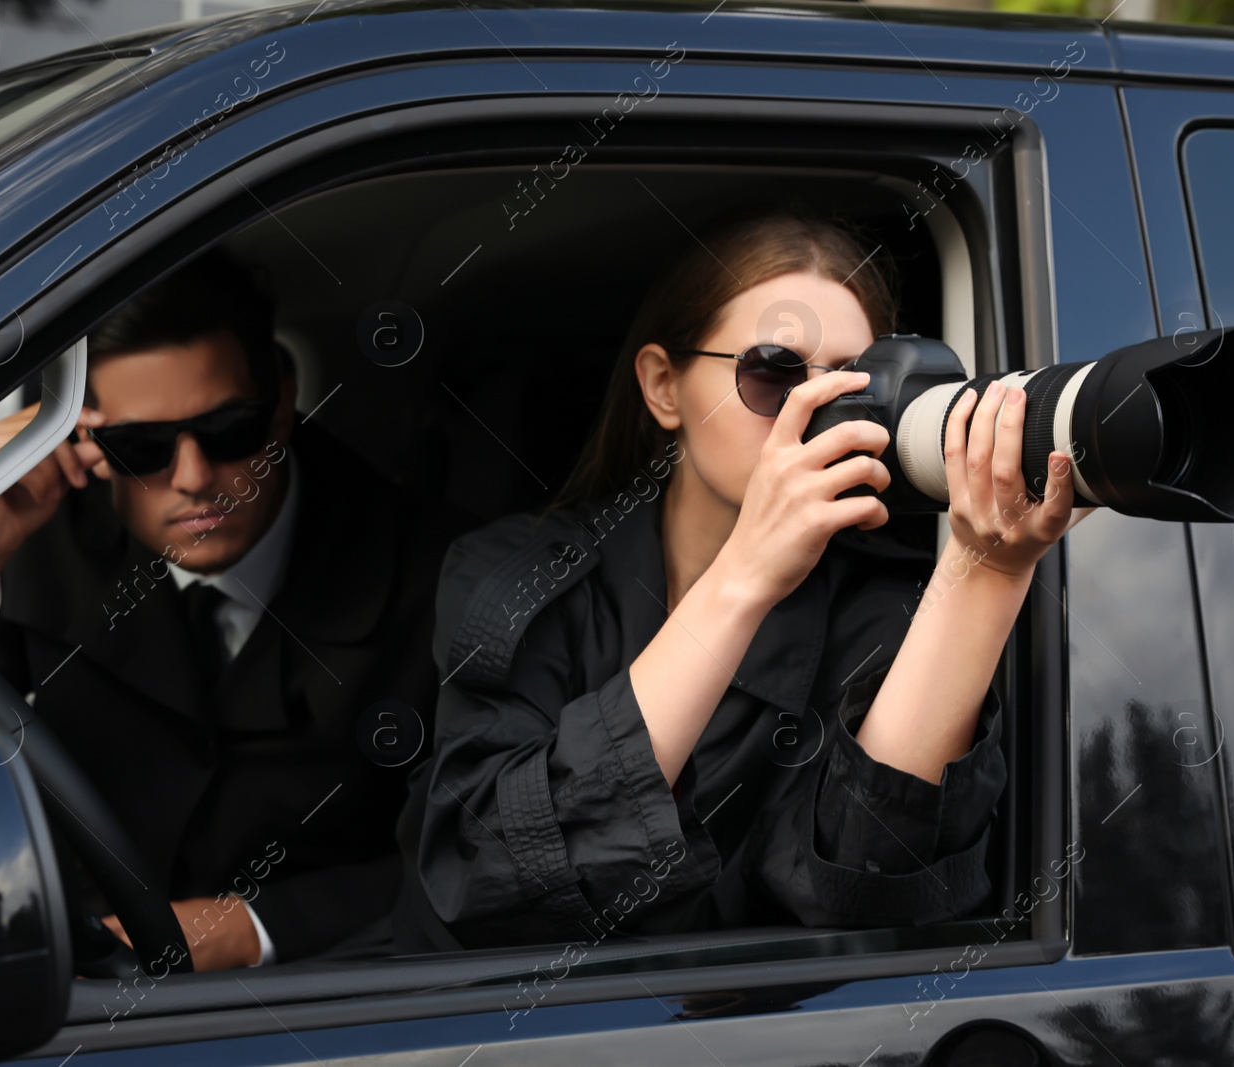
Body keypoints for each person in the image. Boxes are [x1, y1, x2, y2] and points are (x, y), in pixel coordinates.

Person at [392, 211, 1094, 951]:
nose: (813, 412)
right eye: (773, 372)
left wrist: (983, 570)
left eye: (854, 383)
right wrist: (743, 575)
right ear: (664, 387)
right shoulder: (514, 569)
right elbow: (487, 872)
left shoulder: (891, 601)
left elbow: (867, 889)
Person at [0, 249, 471, 969]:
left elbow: (486, 846)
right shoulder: (32, 537)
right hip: (65, 996)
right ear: (85, 438)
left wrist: (250, 926)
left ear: (281, 406)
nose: (193, 478)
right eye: (143, 446)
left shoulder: (438, 571)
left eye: (228, 431)